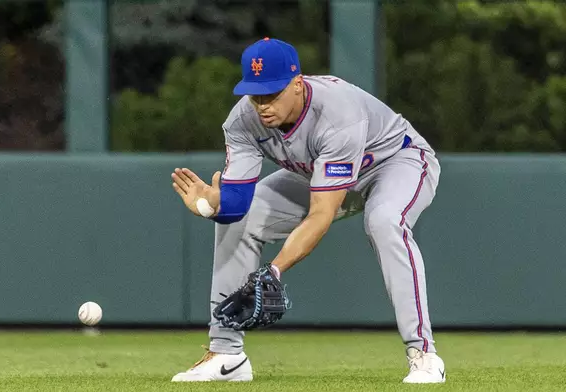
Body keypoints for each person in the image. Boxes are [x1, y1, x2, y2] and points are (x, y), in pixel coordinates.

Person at [170, 37, 445, 384]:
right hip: (323, 171)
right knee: (243, 220)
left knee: (385, 221)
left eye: (272, 94)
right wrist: (212, 205)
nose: (262, 105)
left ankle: (423, 354)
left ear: (297, 84)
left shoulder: (336, 113)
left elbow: (321, 214)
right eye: (256, 95)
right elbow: (237, 206)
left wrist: (275, 270)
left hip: (395, 161)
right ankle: (226, 354)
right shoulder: (242, 121)